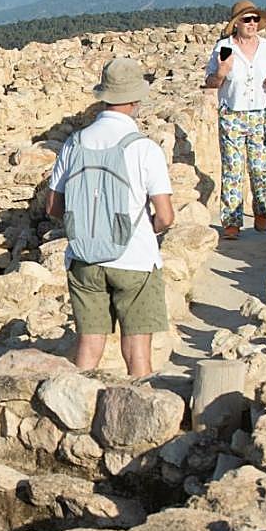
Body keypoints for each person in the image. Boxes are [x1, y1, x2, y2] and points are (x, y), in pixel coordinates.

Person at [45, 57, 175, 376]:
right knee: (137, 352)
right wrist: (148, 231)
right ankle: (141, 414)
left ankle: (75, 409)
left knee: (88, 347)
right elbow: (166, 216)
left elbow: (53, 208)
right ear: (134, 100)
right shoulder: (144, 148)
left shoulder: (74, 143)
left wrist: (89, 227)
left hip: (84, 256)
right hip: (135, 259)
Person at [204, 0, 266, 240]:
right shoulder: (225, 48)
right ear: (236, 23)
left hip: (260, 113)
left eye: (255, 19)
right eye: (247, 19)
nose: (252, 24)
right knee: (233, 168)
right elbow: (211, 82)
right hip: (232, 114)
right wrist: (221, 73)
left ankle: (261, 212)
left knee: (260, 168)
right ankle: (231, 222)